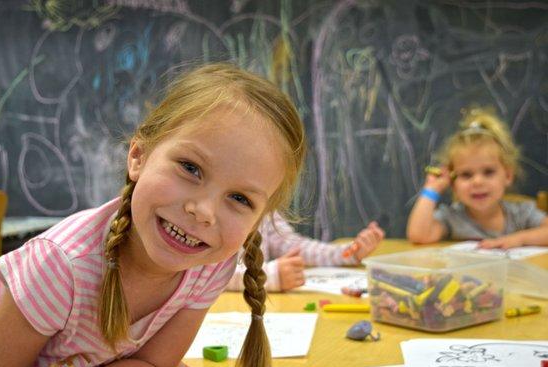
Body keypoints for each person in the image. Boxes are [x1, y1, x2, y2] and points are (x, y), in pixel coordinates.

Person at [0, 63, 306, 367]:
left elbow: (151, 366)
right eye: (190, 168)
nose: (203, 211)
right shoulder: (61, 267)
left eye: (240, 198)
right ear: (138, 156)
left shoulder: (209, 264)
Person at [407, 107, 548, 248]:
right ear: (453, 181)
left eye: (488, 172)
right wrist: (432, 189)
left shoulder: (521, 214)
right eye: (466, 175)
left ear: (508, 176)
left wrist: (519, 239)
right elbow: (418, 235)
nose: (477, 182)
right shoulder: (452, 217)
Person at [227, 214, 385, 292]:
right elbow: (205, 271)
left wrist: (347, 252)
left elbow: (291, 244)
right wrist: (268, 276)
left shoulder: (264, 202)